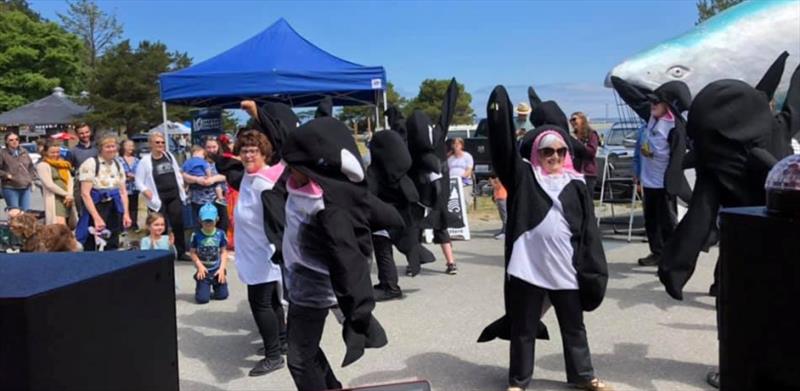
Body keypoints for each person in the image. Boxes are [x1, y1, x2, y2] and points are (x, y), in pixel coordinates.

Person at [478, 86, 611, 391]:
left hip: (566, 267)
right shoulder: (524, 176)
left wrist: (593, 267)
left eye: (560, 151)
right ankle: (518, 381)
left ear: (567, 153)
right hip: (528, 267)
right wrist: (500, 115)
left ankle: (583, 375)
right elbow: (503, 152)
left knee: (573, 326)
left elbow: (588, 232)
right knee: (523, 327)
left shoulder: (576, 184)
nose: (554, 156)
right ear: (536, 151)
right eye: (547, 150)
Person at [281, 116, 402, 391]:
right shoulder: (308, 187)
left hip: (313, 289)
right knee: (305, 350)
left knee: (299, 359)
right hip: (300, 280)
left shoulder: (329, 208)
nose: (288, 172)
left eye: (293, 167)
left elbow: (349, 261)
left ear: (311, 167)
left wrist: (357, 314)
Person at [610, 76, 692, 268]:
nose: (652, 105)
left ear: (668, 105)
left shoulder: (675, 127)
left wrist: (675, 181)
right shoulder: (650, 120)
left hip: (665, 182)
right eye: (652, 102)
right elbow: (635, 99)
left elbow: (681, 154)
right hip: (649, 181)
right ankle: (657, 252)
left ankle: (672, 258)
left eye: (657, 102)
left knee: (667, 222)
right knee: (651, 221)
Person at [233, 130, 286, 377]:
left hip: (263, 253)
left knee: (261, 304)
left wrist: (279, 250)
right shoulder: (248, 176)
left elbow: (279, 220)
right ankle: (282, 340)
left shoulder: (265, 183)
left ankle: (273, 356)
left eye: (253, 150)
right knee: (272, 301)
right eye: (244, 150)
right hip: (252, 250)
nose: (248, 154)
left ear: (264, 152)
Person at [406, 78, 460, 276]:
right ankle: (450, 263)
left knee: (416, 227)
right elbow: (446, 114)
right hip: (438, 188)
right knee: (439, 224)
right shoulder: (437, 135)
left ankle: (415, 264)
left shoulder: (411, 144)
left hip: (420, 190)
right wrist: (451, 93)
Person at [135, 131, 189, 260]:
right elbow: (138, 181)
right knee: (160, 225)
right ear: (151, 144)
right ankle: (161, 254)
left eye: (163, 142)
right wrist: (146, 191)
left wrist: (182, 185)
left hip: (174, 195)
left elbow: (177, 172)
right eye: (157, 142)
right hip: (158, 199)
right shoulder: (145, 161)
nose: (160, 145)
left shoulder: (169, 155)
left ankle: (180, 252)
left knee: (178, 224)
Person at [76, 133, 132, 251]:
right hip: (97, 205)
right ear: (100, 148)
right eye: (107, 146)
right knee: (94, 242)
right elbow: (85, 193)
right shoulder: (91, 163)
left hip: (114, 206)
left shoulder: (118, 164)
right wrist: (96, 217)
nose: (111, 149)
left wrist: (126, 214)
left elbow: (123, 192)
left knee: (112, 240)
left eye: (113, 146)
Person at [190, 203, 229, 304]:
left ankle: (216, 287)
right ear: (200, 220)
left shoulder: (220, 234)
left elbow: (224, 252)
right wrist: (199, 266)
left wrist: (222, 269)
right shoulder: (196, 235)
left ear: (217, 219)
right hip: (204, 271)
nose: (208, 223)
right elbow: (193, 253)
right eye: (205, 221)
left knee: (222, 296)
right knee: (202, 299)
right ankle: (202, 289)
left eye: (210, 221)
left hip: (217, 270)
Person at [183, 146, 227, 228]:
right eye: (208, 147)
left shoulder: (221, 161)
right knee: (199, 223)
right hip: (197, 199)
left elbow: (227, 176)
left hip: (214, 200)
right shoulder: (201, 162)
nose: (211, 149)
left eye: (214, 147)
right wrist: (197, 179)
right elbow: (183, 175)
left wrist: (213, 179)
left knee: (216, 223)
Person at [36, 140, 77, 226]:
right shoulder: (42, 165)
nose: (55, 155)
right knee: (59, 226)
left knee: (69, 225)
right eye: (52, 152)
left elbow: (70, 180)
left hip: (67, 199)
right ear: (46, 152)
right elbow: (49, 184)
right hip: (55, 198)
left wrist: (69, 194)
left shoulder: (63, 164)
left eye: (57, 152)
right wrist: (65, 194)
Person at [0, 133, 36, 212]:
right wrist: (6, 175)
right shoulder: (2, 153)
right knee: (15, 213)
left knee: (24, 213)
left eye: (16, 139)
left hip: (25, 187)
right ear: (6, 141)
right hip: (10, 187)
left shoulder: (24, 151)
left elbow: (31, 166)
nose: (14, 141)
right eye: (11, 140)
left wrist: (30, 178)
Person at [569, 112, 601, 196]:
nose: (572, 122)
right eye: (570, 120)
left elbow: (591, 152)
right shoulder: (572, 136)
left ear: (582, 119)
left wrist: (577, 143)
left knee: (587, 200)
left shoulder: (591, 134)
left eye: (574, 119)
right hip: (574, 172)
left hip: (588, 173)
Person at [117, 140, 140, 231]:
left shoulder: (137, 160)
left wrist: (135, 176)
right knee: (123, 206)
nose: (131, 148)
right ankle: (123, 225)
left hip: (134, 187)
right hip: (123, 187)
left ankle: (134, 224)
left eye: (132, 146)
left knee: (134, 206)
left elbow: (141, 172)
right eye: (128, 146)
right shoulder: (118, 160)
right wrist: (126, 176)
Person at [447, 137, 475, 209]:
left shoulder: (467, 156)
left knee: (464, 203)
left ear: (462, 146)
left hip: (464, 183)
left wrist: (459, 179)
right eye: (454, 143)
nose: (456, 145)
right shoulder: (449, 158)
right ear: (452, 145)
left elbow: (469, 170)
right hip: (451, 183)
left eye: (458, 143)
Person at [489, 173, 507, 240]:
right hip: (499, 197)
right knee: (502, 216)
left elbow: (497, 187)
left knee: (504, 216)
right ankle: (503, 231)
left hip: (502, 197)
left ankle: (505, 233)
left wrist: (492, 182)